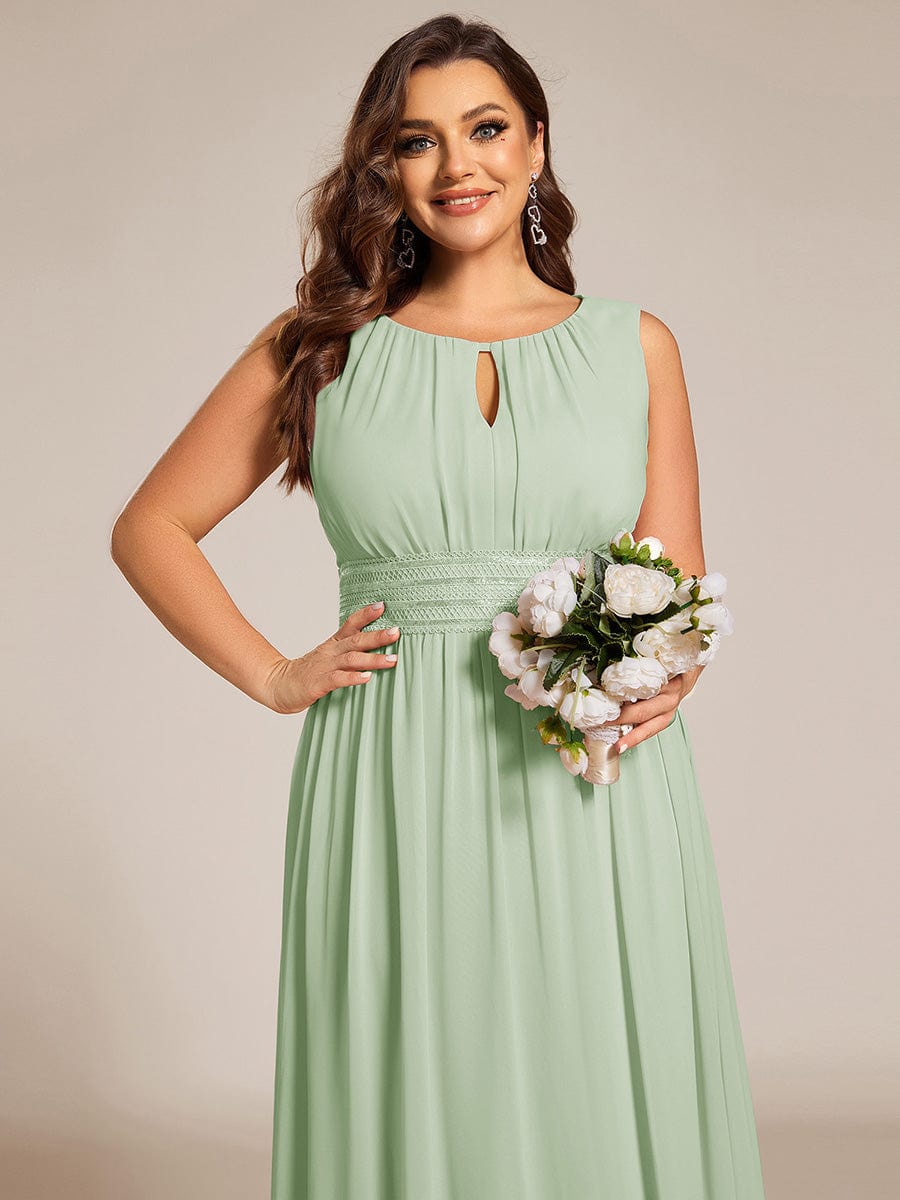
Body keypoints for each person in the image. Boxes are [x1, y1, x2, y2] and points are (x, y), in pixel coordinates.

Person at [110, 14, 767, 1200]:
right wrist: (274, 674)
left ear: (537, 144)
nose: (458, 163)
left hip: (587, 768)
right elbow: (151, 527)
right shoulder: (322, 347)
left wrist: (667, 677)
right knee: (419, 1059)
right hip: (394, 760)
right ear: (387, 169)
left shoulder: (635, 346)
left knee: (588, 1056)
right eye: (419, 140)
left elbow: (674, 589)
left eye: (487, 128)